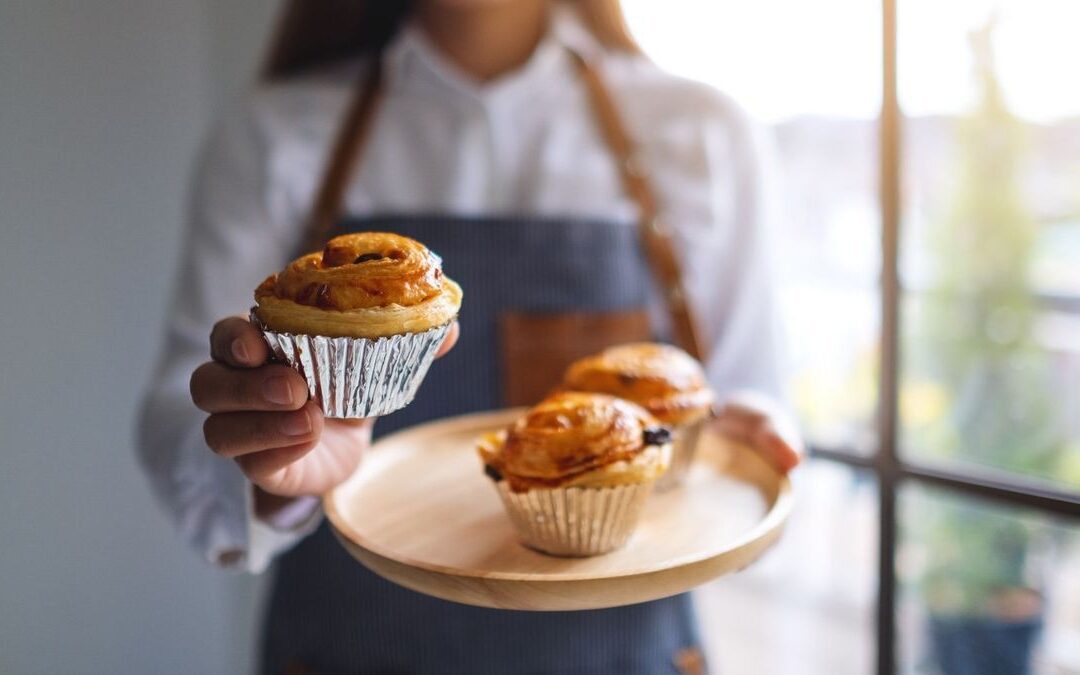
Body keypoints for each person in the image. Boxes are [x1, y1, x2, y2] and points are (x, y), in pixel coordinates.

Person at [139, 0, 803, 672]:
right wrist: (274, 469)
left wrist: (748, 444)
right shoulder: (275, 133)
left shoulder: (701, 133)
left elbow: (748, 400)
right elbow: (180, 412)